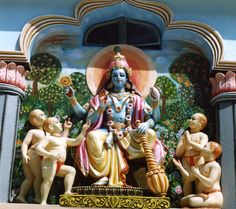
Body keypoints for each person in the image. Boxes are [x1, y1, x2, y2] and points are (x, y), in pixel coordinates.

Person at [66, 47, 165, 186]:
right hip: (107, 131)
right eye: (115, 75)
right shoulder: (102, 97)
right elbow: (85, 117)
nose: (118, 78)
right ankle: (103, 176)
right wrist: (74, 99)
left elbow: (154, 118)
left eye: (122, 75)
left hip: (129, 132)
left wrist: (151, 114)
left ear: (127, 78)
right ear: (110, 78)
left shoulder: (135, 98)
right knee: (93, 137)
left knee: (151, 133)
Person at [35, 117, 91, 205]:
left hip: (60, 164)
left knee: (71, 170)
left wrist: (83, 130)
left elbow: (77, 141)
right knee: (48, 180)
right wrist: (50, 155)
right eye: (57, 122)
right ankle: (43, 201)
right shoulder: (49, 138)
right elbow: (38, 149)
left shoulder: (63, 139)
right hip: (50, 161)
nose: (60, 123)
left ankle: (67, 191)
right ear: (51, 127)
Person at [173, 141, 223, 208]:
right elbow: (189, 178)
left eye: (205, 146)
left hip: (213, 196)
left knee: (192, 201)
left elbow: (210, 183)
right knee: (183, 201)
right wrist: (180, 167)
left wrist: (198, 175)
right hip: (201, 196)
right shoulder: (200, 166)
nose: (202, 148)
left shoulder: (215, 166)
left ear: (211, 149)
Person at [16, 109, 47, 204]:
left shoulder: (47, 132)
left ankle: (21, 196)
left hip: (35, 155)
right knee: (38, 176)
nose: (45, 116)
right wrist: (24, 154)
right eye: (42, 115)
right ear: (34, 120)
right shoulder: (33, 131)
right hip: (33, 155)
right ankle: (37, 197)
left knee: (30, 178)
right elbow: (25, 143)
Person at [175, 113, 209, 196]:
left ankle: (199, 197)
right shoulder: (185, 136)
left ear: (201, 122)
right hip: (186, 159)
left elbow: (201, 148)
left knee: (199, 179)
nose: (190, 120)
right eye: (189, 118)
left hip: (198, 158)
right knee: (186, 181)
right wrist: (184, 141)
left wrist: (190, 142)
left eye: (193, 119)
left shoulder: (202, 135)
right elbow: (178, 153)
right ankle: (187, 199)